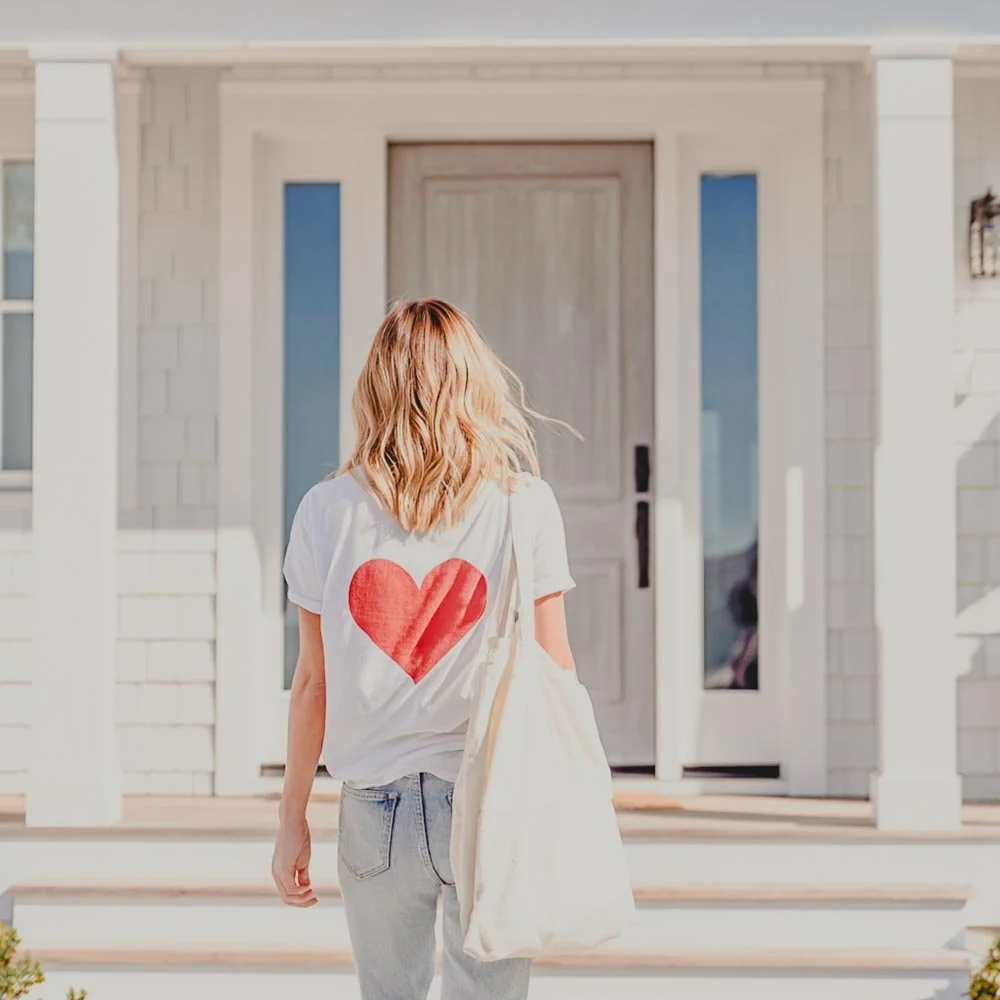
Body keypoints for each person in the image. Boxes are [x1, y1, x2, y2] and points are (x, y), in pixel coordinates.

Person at [271, 299, 578, 1000]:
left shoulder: (325, 510)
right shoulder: (524, 503)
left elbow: (313, 684)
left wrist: (291, 820)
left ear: (374, 387)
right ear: (474, 383)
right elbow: (557, 671)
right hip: (489, 799)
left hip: (372, 809)